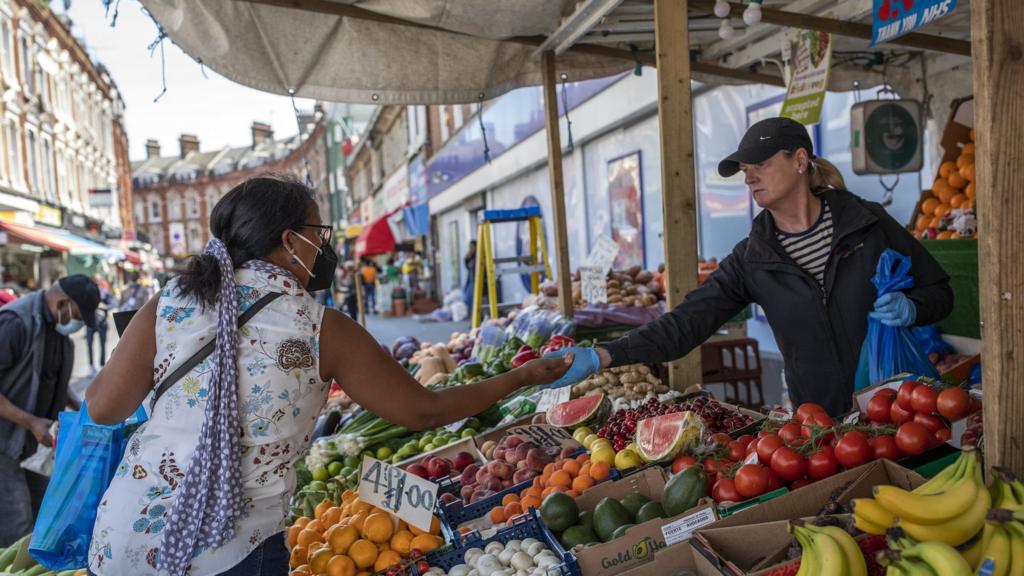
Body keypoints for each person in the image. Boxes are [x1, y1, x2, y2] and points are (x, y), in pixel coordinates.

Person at [83, 175, 570, 576]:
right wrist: (518, 378)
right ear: (291, 240)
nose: (323, 246)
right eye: (319, 233)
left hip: (124, 541)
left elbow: (103, 407)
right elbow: (424, 410)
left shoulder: (167, 302)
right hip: (232, 552)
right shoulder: (320, 328)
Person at [545, 118, 953, 416]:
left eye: (759, 164)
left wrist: (912, 307)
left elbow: (940, 292)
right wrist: (604, 355)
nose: (748, 177)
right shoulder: (751, 259)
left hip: (900, 406)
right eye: (744, 170)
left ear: (799, 160)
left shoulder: (866, 224)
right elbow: (685, 325)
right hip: (824, 426)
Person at [0, 275, 98, 546]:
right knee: (17, 527)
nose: (77, 325)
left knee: (46, 517)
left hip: (33, 448)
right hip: (5, 445)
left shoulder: (57, 332)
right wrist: (31, 422)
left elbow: (55, 382)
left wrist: (85, 410)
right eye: (78, 315)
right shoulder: (16, 324)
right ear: (63, 303)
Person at [85, 276, 116, 373]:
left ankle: (102, 365)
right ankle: (91, 365)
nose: (95, 283)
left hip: (102, 322)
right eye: (94, 280)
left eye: (97, 280)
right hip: (90, 323)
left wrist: (104, 306)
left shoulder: (105, 293)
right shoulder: (87, 293)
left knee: (102, 344)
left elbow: (113, 304)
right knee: (89, 344)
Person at [463, 240, 478, 309]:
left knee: (469, 299)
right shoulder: (470, 257)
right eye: (470, 247)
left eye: (472, 247)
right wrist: (466, 258)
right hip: (471, 280)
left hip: (476, 281)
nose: (471, 248)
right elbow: (468, 268)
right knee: (467, 299)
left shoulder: (478, 257)